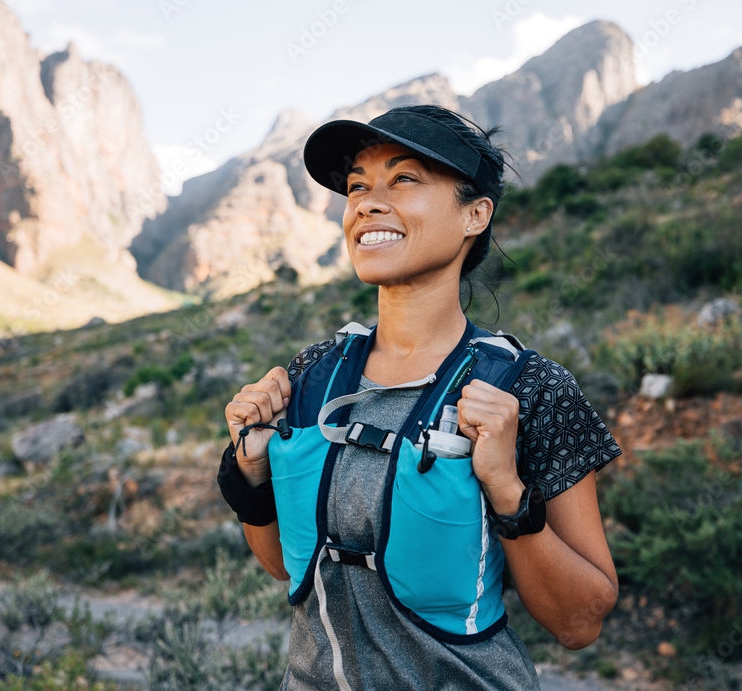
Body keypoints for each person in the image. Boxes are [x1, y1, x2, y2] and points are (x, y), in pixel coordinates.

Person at [217, 104, 621, 690]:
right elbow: (288, 566)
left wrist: (508, 491)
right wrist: (251, 475)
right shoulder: (313, 375)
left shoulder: (529, 390)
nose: (366, 203)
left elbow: (580, 623)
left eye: (403, 179)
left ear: (475, 214)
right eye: (358, 186)